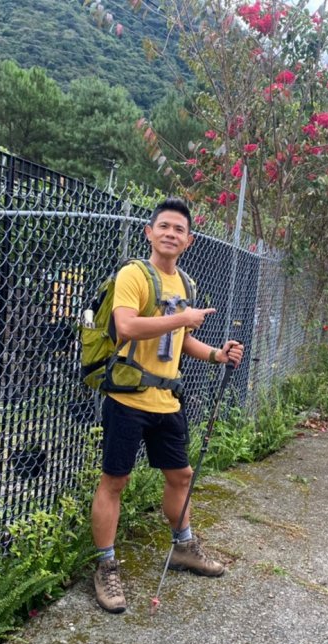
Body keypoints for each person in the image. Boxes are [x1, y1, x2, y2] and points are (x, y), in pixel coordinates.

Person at [91, 197, 244, 614]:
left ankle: (183, 547)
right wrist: (182, 318)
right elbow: (126, 325)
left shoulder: (186, 284)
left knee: (181, 476)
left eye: (179, 229)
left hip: (166, 399)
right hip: (126, 398)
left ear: (189, 240)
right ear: (149, 232)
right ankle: (105, 566)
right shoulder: (134, 275)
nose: (171, 234)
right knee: (115, 481)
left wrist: (216, 354)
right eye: (164, 227)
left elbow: (181, 340)